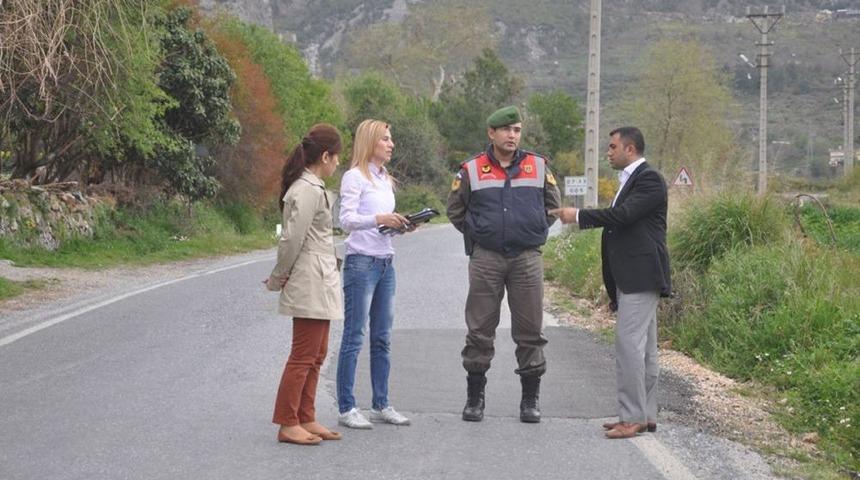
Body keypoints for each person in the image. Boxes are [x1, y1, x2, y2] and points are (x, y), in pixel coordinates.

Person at [550, 126, 671, 439]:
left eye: (612, 147)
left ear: (630, 149)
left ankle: (633, 418)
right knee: (644, 350)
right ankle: (645, 414)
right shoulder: (631, 180)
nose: (607, 152)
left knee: (629, 346)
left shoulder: (649, 179)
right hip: (633, 276)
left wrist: (578, 216)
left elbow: (624, 216)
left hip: (640, 275)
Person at [447, 105, 561, 423]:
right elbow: (456, 212)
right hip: (486, 258)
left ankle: (529, 401)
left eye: (517, 130)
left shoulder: (538, 166)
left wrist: (532, 231)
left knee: (530, 331)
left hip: (526, 259)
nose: (512, 135)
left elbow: (553, 208)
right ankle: (475, 399)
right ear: (491, 133)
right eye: (506, 130)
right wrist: (480, 236)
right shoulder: (471, 169)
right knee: (480, 330)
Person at [266, 123, 344, 445]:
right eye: (337, 157)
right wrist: (278, 277)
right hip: (309, 279)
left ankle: (306, 416)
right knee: (303, 354)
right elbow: (291, 240)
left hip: (321, 278)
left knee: (317, 353)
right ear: (325, 156)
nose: (339, 163)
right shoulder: (305, 190)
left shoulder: (315, 188)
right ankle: (287, 422)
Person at [336, 119, 414, 429]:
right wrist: (379, 218)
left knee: (382, 338)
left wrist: (399, 227)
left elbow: (381, 226)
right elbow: (346, 220)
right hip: (361, 263)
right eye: (385, 139)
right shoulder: (354, 178)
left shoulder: (386, 180)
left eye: (391, 138)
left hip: (385, 262)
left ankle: (381, 404)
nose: (391, 144)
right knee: (354, 336)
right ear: (370, 142)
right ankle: (347, 407)